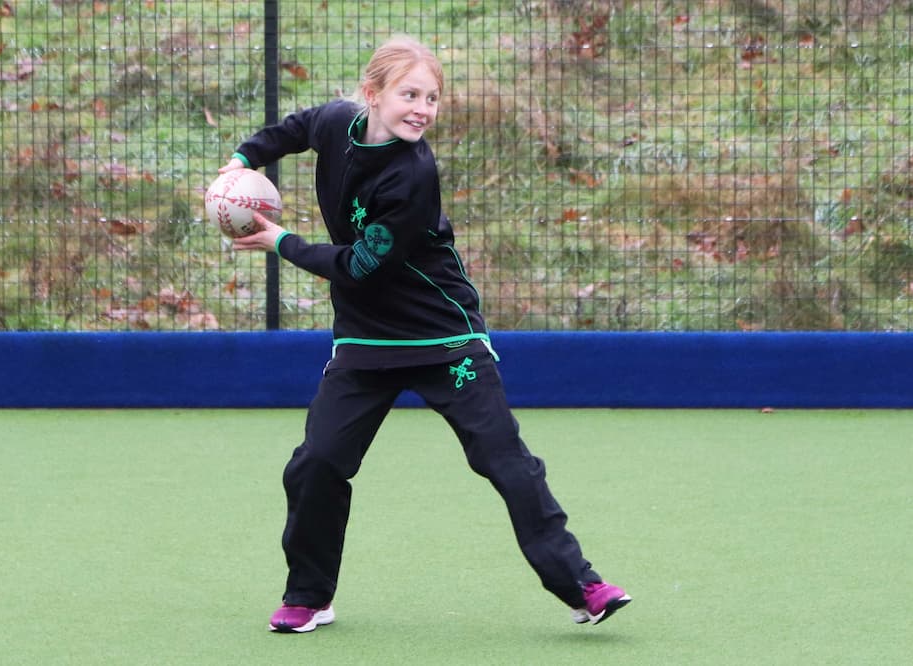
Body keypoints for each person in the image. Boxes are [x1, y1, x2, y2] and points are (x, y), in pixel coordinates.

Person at [219, 35, 630, 634]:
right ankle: (308, 596)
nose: (422, 108)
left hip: (443, 339)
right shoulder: (336, 123)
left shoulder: (413, 173)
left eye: (432, 98)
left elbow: (362, 267)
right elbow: (294, 128)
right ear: (373, 96)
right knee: (317, 463)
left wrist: (281, 242)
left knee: (504, 460)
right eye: (410, 94)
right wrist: (240, 162)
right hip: (365, 343)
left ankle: (583, 586)